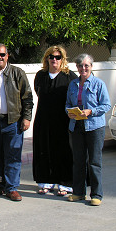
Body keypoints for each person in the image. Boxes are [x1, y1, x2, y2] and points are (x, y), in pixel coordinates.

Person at [0, 43, 33, 201]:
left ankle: (12, 188)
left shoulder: (17, 73)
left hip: (13, 122)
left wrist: (26, 117)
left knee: (12, 156)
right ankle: (2, 183)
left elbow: (27, 98)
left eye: (2, 55)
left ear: (7, 56)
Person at [66, 53, 111, 206]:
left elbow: (106, 105)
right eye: (80, 65)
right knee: (78, 161)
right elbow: (67, 104)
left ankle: (97, 194)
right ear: (77, 67)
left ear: (91, 67)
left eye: (86, 65)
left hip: (94, 127)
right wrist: (70, 112)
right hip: (76, 126)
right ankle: (78, 192)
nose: (83, 68)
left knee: (94, 162)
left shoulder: (99, 84)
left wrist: (90, 111)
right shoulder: (73, 84)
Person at [32, 46, 77, 196]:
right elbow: (38, 93)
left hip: (63, 121)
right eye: (51, 57)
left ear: (62, 59)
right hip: (43, 120)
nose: (54, 60)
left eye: (58, 57)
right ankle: (46, 182)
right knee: (44, 150)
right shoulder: (41, 75)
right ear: (47, 59)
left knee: (64, 151)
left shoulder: (69, 76)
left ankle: (65, 184)